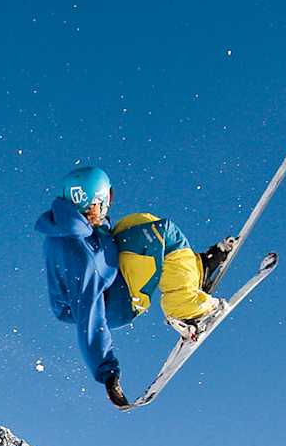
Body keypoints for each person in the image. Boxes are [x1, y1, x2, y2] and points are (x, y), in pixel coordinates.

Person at [37, 166, 233, 408]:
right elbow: (89, 313)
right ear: (94, 200)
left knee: (139, 223)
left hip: (111, 282)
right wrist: (107, 372)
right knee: (162, 233)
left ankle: (192, 272)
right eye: (107, 198)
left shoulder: (69, 223)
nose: (109, 204)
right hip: (117, 302)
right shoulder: (81, 255)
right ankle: (186, 308)